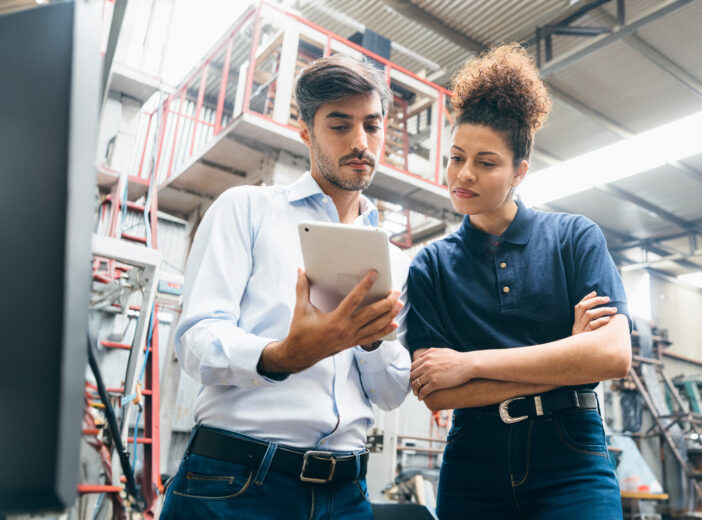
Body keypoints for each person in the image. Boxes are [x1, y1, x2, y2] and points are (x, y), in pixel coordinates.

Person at [160, 54, 411, 520]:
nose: (361, 143)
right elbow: (196, 343)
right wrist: (281, 357)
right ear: (305, 131)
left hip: (346, 494)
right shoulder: (248, 210)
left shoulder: (393, 259)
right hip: (236, 484)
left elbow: (390, 394)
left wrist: (373, 343)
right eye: (340, 125)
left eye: (372, 126)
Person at [402, 44, 632, 519]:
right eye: (456, 157)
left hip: (570, 456)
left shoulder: (573, 238)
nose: (463, 175)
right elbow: (436, 392)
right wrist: (567, 358)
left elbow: (611, 355)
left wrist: (471, 364)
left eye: (486, 163)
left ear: (519, 172)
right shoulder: (430, 266)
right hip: (473, 462)